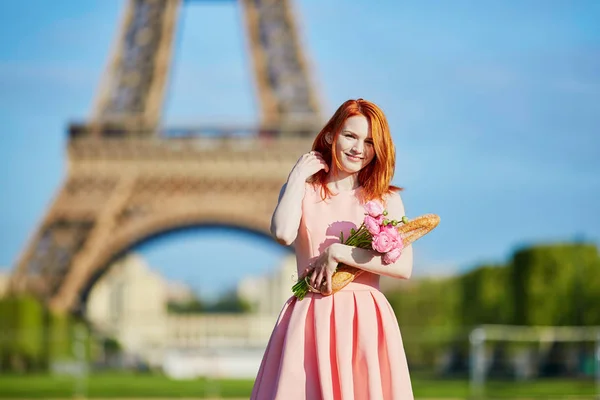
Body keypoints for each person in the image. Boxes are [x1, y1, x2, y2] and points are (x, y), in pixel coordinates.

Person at [251, 99, 414, 399]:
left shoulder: (386, 199)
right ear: (330, 135)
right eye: (350, 136)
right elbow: (283, 233)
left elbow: (402, 267)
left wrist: (338, 252)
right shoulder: (303, 190)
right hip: (312, 314)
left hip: (365, 319)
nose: (358, 149)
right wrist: (297, 176)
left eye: (369, 141)